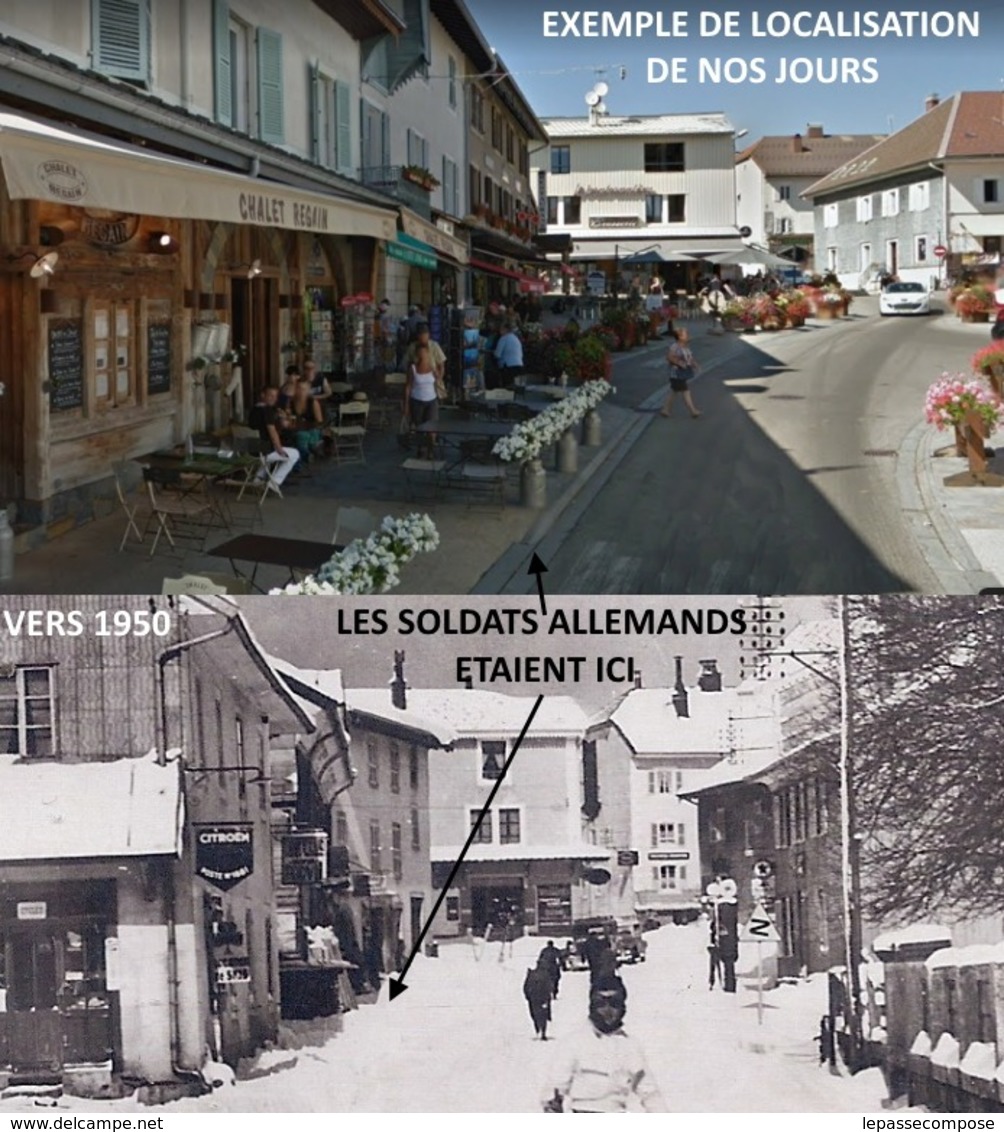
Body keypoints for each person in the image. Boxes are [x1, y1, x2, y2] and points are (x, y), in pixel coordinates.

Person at [544, 981, 664, 1112]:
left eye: (614, 1004)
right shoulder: (574, 1042)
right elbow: (555, 1088)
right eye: (600, 1004)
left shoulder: (630, 1046)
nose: (607, 1010)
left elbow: (650, 1093)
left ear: (623, 1007)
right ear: (592, 1007)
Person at [248, 386, 300, 488]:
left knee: (268, 454)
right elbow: (272, 432)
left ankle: (258, 478)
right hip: (264, 452)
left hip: (249, 451)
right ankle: (274, 482)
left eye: (275, 396)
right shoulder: (267, 411)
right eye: (270, 395)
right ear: (263, 395)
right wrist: (279, 448)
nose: (274, 398)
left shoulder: (254, 409)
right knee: (294, 454)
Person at [404, 342, 439, 459]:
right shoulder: (413, 368)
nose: (423, 356)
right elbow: (408, 386)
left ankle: (431, 450)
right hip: (417, 400)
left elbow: (437, 380)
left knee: (431, 427)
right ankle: (421, 449)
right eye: (421, 354)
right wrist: (406, 404)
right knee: (419, 427)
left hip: (431, 400)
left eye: (425, 354)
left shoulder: (432, 368)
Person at [661, 327, 702, 419]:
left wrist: (695, 364)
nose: (688, 335)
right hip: (676, 373)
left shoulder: (686, 347)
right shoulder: (675, 346)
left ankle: (666, 409)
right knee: (685, 391)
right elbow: (669, 357)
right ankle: (693, 411)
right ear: (679, 337)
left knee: (674, 391)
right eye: (685, 334)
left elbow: (689, 359)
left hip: (681, 373)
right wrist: (679, 363)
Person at [283, 376, 325, 464]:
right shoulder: (291, 401)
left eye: (304, 389)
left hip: (312, 430)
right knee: (301, 435)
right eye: (299, 388)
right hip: (296, 429)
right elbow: (288, 417)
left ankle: (302, 458)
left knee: (303, 435)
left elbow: (320, 422)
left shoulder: (313, 402)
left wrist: (306, 426)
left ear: (308, 390)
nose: (302, 391)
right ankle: (306, 456)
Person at [523, 959, 553, 1041]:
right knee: (543, 1015)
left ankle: (538, 1029)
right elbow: (549, 986)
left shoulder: (531, 974)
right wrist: (549, 996)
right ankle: (542, 1031)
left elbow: (525, 986)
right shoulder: (545, 974)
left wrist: (527, 996)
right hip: (543, 998)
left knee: (535, 1014)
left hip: (533, 999)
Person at [493, 321, 524, 386]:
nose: (499, 331)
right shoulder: (516, 338)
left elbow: (497, 354)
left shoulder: (503, 338)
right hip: (519, 364)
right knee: (517, 386)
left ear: (505, 329)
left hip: (508, 366)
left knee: (508, 387)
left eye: (501, 329)